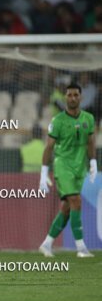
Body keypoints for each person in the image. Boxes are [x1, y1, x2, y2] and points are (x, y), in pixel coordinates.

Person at [39, 83, 95, 258]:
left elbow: (91, 142)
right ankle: (81, 248)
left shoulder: (88, 118)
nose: (72, 98)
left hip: (80, 167)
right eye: (69, 95)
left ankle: (47, 244)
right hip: (63, 165)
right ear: (65, 98)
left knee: (67, 208)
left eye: (75, 95)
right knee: (76, 200)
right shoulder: (58, 121)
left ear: (81, 97)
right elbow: (49, 147)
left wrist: (93, 162)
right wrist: (43, 173)